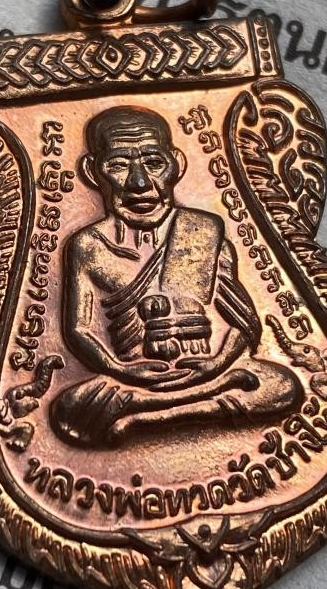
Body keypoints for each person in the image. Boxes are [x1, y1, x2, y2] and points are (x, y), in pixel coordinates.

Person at [50, 106, 302, 446]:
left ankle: (150, 418)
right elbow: (79, 329)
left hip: (209, 371)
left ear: (177, 165)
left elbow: (242, 322)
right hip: (134, 379)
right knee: (69, 408)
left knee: (281, 386)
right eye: (119, 165)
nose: (139, 183)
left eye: (154, 163)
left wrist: (216, 364)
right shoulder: (88, 245)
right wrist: (120, 369)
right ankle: (184, 407)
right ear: (93, 172)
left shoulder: (202, 231)